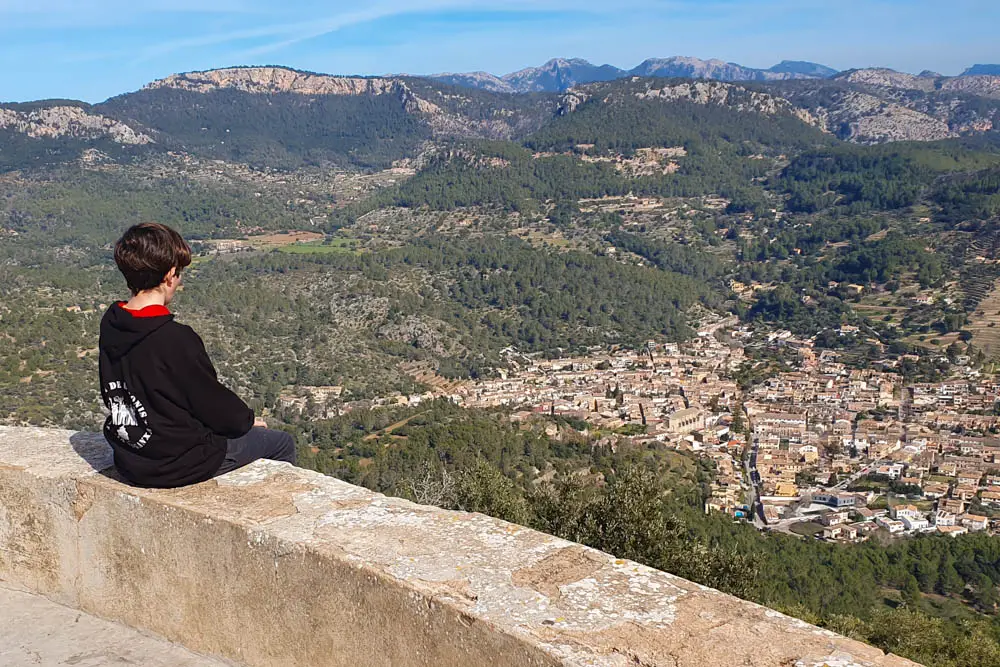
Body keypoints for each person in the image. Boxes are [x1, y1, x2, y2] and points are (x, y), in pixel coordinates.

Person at [98, 222, 296, 488]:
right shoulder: (174, 338)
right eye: (179, 274)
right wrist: (247, 422)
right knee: (281, 443)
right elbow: (211, 403)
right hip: (176, 464)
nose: (179, 281)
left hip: (132, 457)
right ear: (169, 275)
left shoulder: (112, 321)